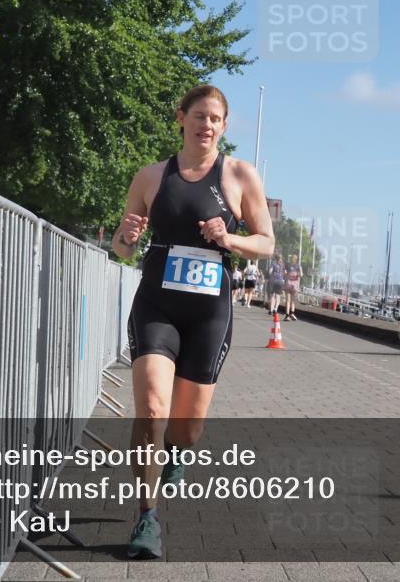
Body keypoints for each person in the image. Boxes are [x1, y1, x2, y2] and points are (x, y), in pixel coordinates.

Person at [112, 85, 274, 559]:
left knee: (186, 429)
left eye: (216, 119)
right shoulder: (150, 176)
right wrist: (126, 235)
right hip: (157, 306)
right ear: (181, 118)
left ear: (224, 126)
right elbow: (122, 249)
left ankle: (179, 453)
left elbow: (265, 242)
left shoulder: (240, 175)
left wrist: (230, 239)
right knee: (152, 410)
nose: (206, 125)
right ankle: (147, 517)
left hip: (208, 313)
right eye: (199, 116)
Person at [283, 252, 302, 321]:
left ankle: (290, 314)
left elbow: (301, 274)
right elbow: (301, 274)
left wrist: (294, 274)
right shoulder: (292, 265)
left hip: (291, 284)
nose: (292, 259)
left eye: (293, 258)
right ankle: (289, 314)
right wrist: (294, 274)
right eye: (292, 258)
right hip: (291, 284)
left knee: (290, 301)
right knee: (290, 301)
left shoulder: (294, 265)